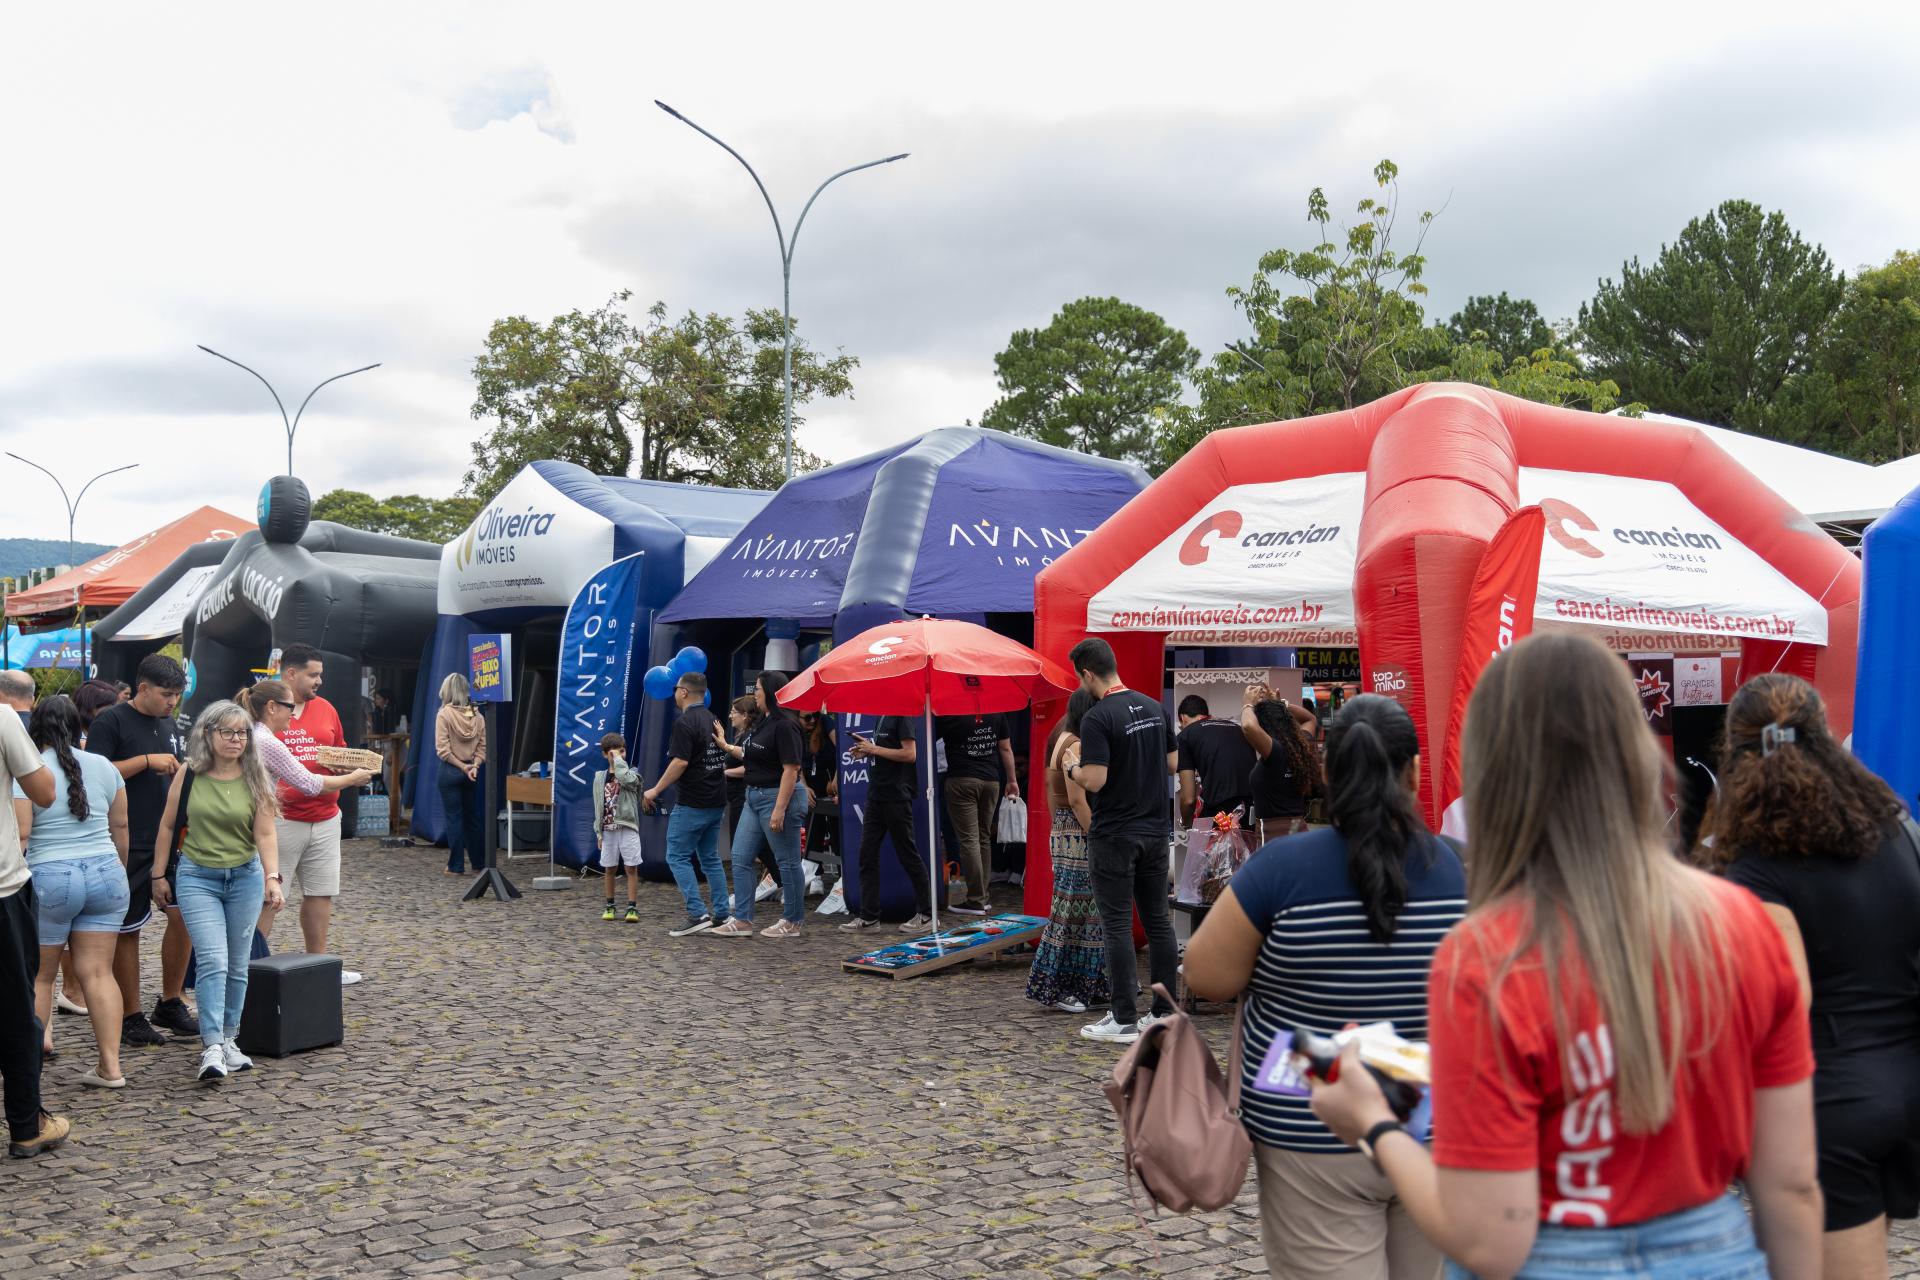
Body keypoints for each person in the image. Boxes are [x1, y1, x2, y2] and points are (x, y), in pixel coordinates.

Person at [1308, 632, 1822, 1279]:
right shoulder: (1743, 925)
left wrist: (1372, 1121)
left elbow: (1491, 1240)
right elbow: (1792, 1187)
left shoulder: (1488, 957)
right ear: (1634, 753)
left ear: (1494, 773)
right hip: (1714, 1248)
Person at [1184, 694, 1465, 1279]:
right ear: (1414, 772)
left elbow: (1206, 977)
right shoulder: (1467, 870)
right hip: (1437, 1120)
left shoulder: (1280, 868)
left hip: (1308, 1116)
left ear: (1330, 772)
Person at [1700, 673, 1920, 1279]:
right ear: (1824, 739)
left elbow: (1780, 1007)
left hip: (1826, 1108)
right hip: (1905, 1085)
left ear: (1738, 757)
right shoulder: (1894, 830)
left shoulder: (1755, 864)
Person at [153, 702, 285, 1083]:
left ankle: (230, 1038)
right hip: (198, 876)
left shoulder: (255, 775)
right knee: (213, 959)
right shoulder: (189, 773)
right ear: (208, 734)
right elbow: (167, 825)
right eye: (227, 732)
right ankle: (211, 1045)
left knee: (239, 963)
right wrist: (158, 875)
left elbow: (264, 833)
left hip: (244, 876)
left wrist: (272, 876)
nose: (235, 740)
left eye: (241, 733)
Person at [1060, 638, 1177, 1044]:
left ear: (1088, 674)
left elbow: (1096, 779)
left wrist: (1073, 770)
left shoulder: (1097, 717)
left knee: (1116, 925)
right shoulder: (1152, 706)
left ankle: (1124, 1017)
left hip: (1114, 833)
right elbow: (1173, 763)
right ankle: (1164, 1013)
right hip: (1154, 830)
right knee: (1158, 921)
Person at [16, 696, 131, 1089]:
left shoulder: (27, 772)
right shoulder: (104, 766)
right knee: (99, 973)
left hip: (51, 877)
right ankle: (111, 1067)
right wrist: (119, 869)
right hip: (106, 873)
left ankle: (29, 1065)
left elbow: (22, 835)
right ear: (79, 726)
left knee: (40, 977)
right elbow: (121, 829)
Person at [86, 653, 192, 1047]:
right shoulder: (110, 721)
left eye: (178, 695)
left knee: (185, 917)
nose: (172, 703)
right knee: (127, 928)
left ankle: (171, 1000)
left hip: (169, 836)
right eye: (166, 695)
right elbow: (93, 772)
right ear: (142, 688)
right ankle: (131, 1015)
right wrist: (145, 761)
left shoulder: (170, 722)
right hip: (126, 838)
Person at [266, 644, 356, 984]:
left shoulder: (327, 709)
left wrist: (342, 764)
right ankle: (250, 967)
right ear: (290, 673)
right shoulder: (267, 710)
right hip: (280, 819)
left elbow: (341, 750)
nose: (319, 681)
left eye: (320, 674)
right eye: (313, 674)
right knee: (269, 897)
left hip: (326, 815)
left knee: (321, 892)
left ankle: (320, 967)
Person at [0, 692, 61, 1157]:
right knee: (16, 1012)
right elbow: (44, 792)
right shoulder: (3, 717)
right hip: (3, 891)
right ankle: (27, 1124)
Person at [1024, 689, 1107, 1014]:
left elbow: (1052, 791)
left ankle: (1090, 983)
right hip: (1078, 830)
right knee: (1073, 911)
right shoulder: (1076, 743)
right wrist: (1096, 834)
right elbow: (1077, 799)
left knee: (1081, 911)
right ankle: (1058, 985)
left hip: (1065, 830)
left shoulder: (1060, 734)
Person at [711, 671, 810, 939]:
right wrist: (726, 746)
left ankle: (793, 921)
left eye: (757, 689)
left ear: (771, 692)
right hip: (754, 797)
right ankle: (743, 920)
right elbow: (751, 754)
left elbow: (791, 769)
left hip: (777, 798)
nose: (754, 693)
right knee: (741, 858)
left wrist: (779, 809)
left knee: (787, 861)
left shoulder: (786, 725)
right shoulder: (765, 724)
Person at [646, 673, 733, 937]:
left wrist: (656, 789)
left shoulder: (684, 723)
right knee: (710, 858)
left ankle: (697, 913)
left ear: (683, 692)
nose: (673, 694)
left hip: (692, 801)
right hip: (716, 799)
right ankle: (722, 914)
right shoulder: (713, 719)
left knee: (677, 856)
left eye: (675, 689)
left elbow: (680, 762)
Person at [838, 712, 932, 935]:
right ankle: (869, 918)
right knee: (866, 854)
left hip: (896, 796)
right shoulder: (880, 716)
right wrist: (867, 751)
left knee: (908, 854)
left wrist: (874, 749)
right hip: (876, 795)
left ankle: (926, 915)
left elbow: (909, 754)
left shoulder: (902, 715)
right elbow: (884, 751)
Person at [936, 711, 1018, 915]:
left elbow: (929, 742)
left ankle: (975, 900)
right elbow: (1005, 748)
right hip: (991, 781)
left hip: (961, 780)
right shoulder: (996, 712)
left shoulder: (950, 713)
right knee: (982, 838)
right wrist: (1012, 780)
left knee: (969, 840)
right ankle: (983, 896)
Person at [242, 682, 374, 807]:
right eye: (290, 706)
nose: (293, 713)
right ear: (271, 707)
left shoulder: (254, 733)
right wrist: (353, 778)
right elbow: (310, 784)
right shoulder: (267, 741)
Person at [1240, 683, 1323, 843]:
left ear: (1264, 726)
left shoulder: (1275, 752)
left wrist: (1247, 704)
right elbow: (1310, 718)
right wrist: (1282, 705)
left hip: (1273, 837)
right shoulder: (1301, 747)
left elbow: (1249, 726)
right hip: (1299, 831)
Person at [1175, 694, 1257, 828]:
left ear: (1183, 718)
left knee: (1201, 847)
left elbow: (1188, 799)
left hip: (1220, 814)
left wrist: (1186, 824)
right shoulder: (1237, 728)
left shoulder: (1186, 735)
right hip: (1252, 809)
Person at [433, 673, 486, 877]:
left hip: (450, 771)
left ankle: (456, 866)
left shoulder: (444, 714)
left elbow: (442, 750)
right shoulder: (475, 714)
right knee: (473, 818)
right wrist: (474, 766)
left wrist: (461, 767)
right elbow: (483, 747)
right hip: (471, 771)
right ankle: (479, 864)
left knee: (454, 819)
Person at [592, 733, 643, 922]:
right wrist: (598, 832)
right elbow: (598, 804)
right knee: (609, 867)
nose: (620, 755)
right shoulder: (600, 777)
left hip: (627, 826)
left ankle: (632, 907)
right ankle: (610, 904)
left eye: (623, 751)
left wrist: (620, 761)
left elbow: (628, 781)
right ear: (606, 755)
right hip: (608, 828)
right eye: (615, 752)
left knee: (631, 866)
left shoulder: (632, 773)